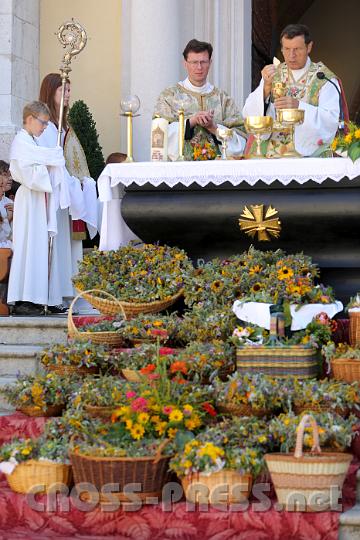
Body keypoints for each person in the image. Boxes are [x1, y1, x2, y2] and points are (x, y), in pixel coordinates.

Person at [37, 73, 98, 304]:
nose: (68, 95)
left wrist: (81, 182)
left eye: (69, 90)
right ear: (50, 92)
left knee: (68, 246)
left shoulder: (64, 126)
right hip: (55, 194)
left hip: (69, 194)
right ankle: (55, 293)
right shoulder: (47, 127)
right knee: (58, 243)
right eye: (63, 90)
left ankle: (67, 290)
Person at [242, 24, 342, 157]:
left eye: (297, 49)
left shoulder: (323, 78)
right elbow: (249, 115)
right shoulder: (273, 74)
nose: (291, 55)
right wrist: (265, 89)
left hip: (309, 156)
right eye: (287, 49)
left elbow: (331, 121)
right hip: (271, 155)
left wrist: (299, 106)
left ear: (309, 47)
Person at [7, 101, 68, 315]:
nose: (44, 127)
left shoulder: (33, 143)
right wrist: (47, 170)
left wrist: (49, 167)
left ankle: (44, 296)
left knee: (41, 247)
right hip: (30, 199)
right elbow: (26, 173)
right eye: (43, 123)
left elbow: (44, 164)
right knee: (29, 248)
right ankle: (25, 299)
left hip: (40, 200)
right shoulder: (21, 143)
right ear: (31, 119)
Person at [154, 39, 246, 161]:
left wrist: (213, 127)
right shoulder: (170, 96)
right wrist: (191, 121)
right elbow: (159, 134)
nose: (199, 67)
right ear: (185, 63)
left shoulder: (223, 98)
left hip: (218, 170)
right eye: (194, 62)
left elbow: (241, 138)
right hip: (180, 169)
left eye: (203, 62)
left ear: (210, 63)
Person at [0, 161, 13, 248]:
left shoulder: (10, 203)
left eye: (10, 175)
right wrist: (8, 219)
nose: (10, 178)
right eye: (5, 175)